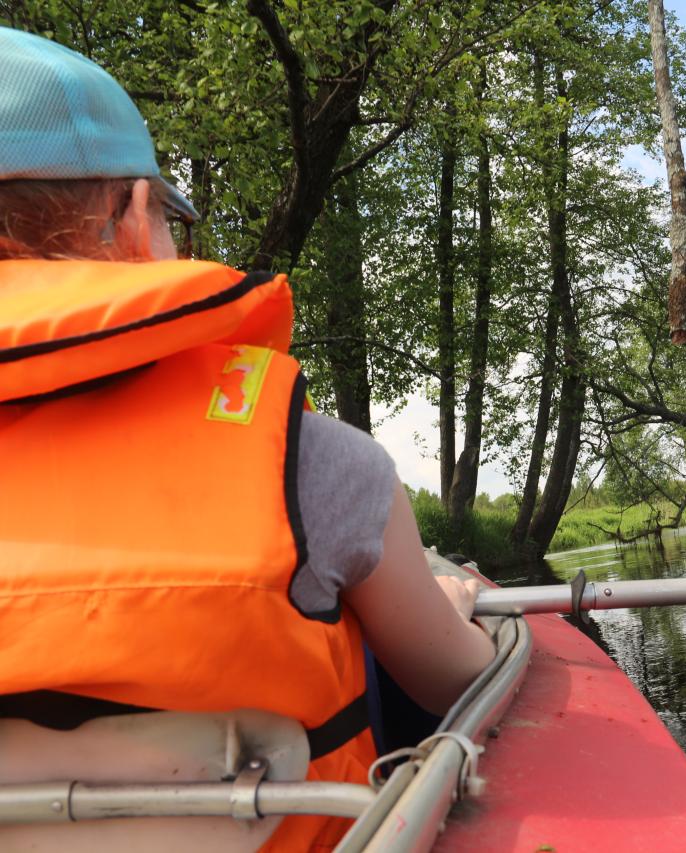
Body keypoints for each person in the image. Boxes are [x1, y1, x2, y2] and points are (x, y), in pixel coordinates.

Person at [0, 25, 496, 851]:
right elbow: (458, 681)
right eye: (170, 220)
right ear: (130, 217)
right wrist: (452, 607)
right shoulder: (314, 463)